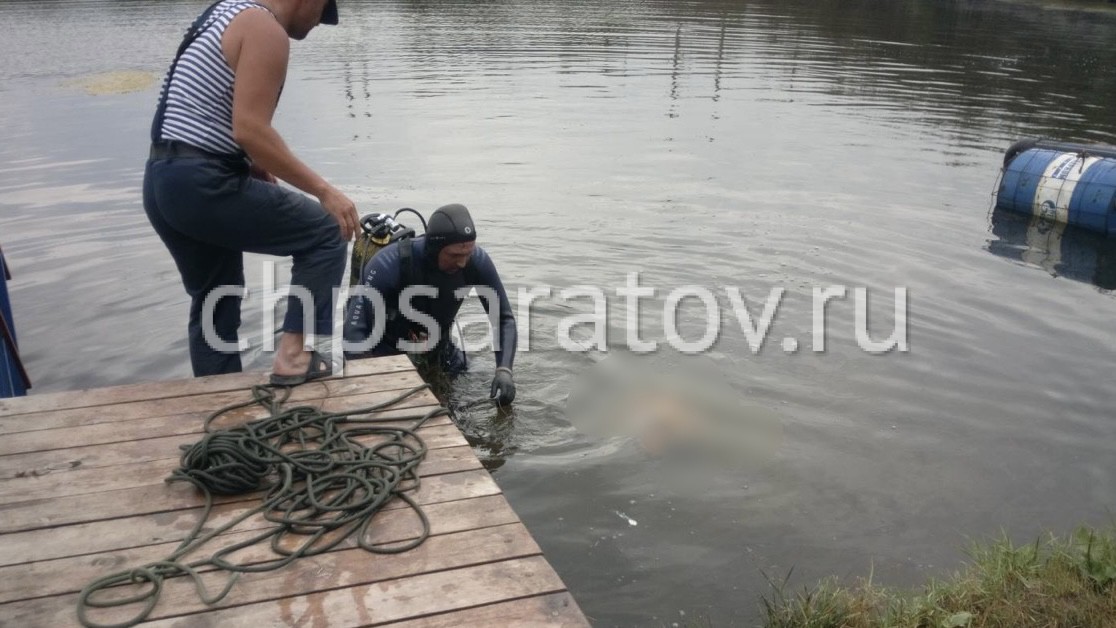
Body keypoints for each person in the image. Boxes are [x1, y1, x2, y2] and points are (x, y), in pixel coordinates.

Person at [143, 0, 358, 384]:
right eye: (322, 12)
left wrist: (253, 165)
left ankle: (218, 399)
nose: (319, 23)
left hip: (163, 181)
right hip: (203, 183)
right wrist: (325, 191)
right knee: (327, 230)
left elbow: (206, 109)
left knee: (215, 298)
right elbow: (250, 129)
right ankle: (293, 358)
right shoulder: (266, 28)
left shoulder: (225, 12)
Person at [343, 204, 518, 405]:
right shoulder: (389, 264)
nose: (462, 263)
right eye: (454, 256)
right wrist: (376, 384)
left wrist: (504, 370)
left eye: (467, 254)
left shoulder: (477, 262)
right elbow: (353, 333)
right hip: (388, 353)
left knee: (475, 399)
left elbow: (503, 318)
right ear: (433, 250)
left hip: (440, 352)